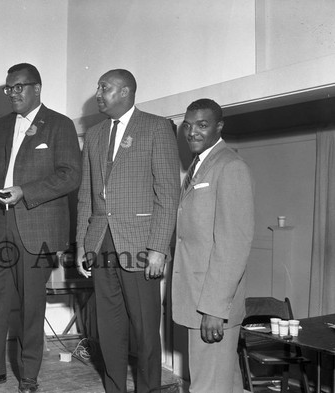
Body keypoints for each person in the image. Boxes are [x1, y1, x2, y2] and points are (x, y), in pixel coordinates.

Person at [0, 63, 81, 393]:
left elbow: (71, 175)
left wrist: (26, 191)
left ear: (37, 88)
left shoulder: (59, 125)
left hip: (36, 225)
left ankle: (28, 376)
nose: (12, 94)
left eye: (18, 87)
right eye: (8, 89)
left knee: (30, 304)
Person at [75, 69, 180, 393]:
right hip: (101, 242)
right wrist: (82, 244)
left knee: (146, 332)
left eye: (104, 87)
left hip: (141, 246)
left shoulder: (157, 127)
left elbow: (168, 192)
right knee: (109, 330)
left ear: (125, 92)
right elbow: (85, 196)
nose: (98, 93)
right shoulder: (93, 135)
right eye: (98, 87)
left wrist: (158, 248)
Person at [172, 98, 254, 393]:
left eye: (202, 125)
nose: (192, 132)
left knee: (207, 387)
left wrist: (214, 310)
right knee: (223, 383)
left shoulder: (230, 166)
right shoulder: (199, 165)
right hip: (197, 297)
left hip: (211, 303)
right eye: (188, 125)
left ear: (219, 127)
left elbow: (233, 245)